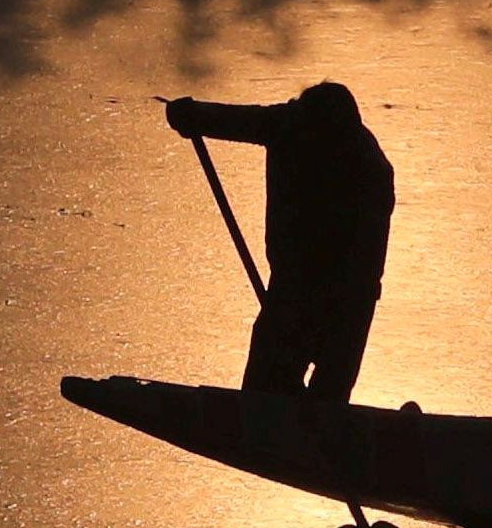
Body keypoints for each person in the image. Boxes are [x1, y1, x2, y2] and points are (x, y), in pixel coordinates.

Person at [167, 82, 394, 400]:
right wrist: (196, 115)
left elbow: (368, 254)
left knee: (305, 391)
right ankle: (304, 419)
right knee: (286, 387)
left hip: (335, 296)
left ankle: (304, 426)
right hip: (321, 292)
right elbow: (243, 121)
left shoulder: (366, 165)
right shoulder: (297, 125)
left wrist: (194, 116)